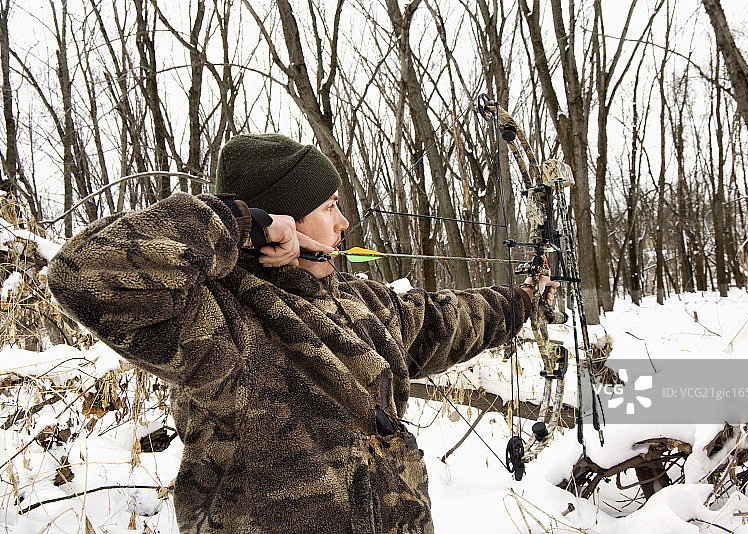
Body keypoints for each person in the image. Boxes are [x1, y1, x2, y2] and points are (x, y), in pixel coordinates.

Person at [48, 134, 560, 534]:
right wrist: (240, 223)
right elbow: (81, 273)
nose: (343, 223)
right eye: (328, 206)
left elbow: (445, 322)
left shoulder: (354, 301)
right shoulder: (221, 320)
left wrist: (525, 298)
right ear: (282, 219)